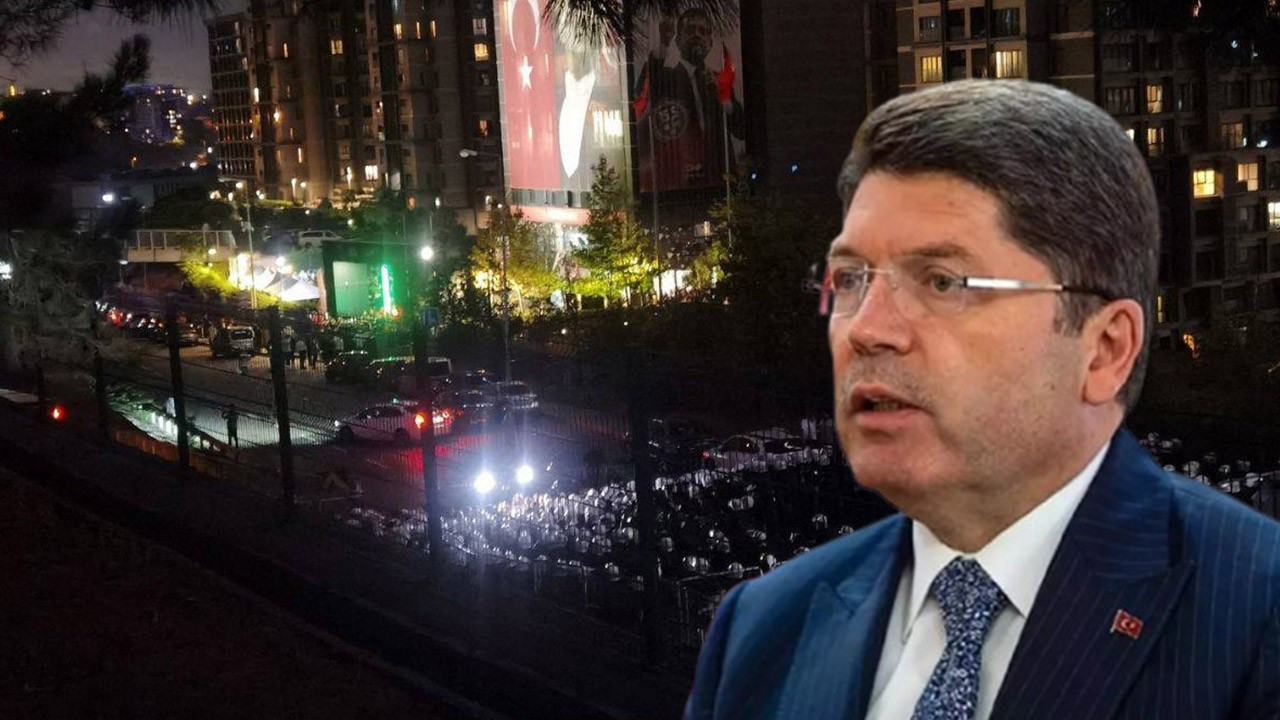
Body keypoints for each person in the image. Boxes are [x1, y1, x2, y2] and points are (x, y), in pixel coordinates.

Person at [684, 80, 1280, 720]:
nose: (866, 328)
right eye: (851, 278)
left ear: (1105, 350)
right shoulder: (761, 628)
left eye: (942, 281)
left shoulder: (1256, 614)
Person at [636, 8, 743, 192]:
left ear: (710, 43)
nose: (697, 35)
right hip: (677, 180)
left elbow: (741, 130)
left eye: (702, 31)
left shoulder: (719, 81)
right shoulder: (667, 78)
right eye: (690, 30)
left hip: (718, 180)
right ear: (677, 40)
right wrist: (663, 44)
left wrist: (726, 100)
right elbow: (642, 90)